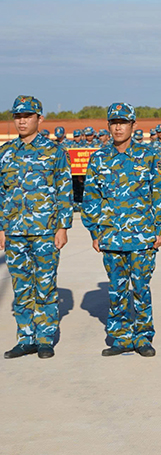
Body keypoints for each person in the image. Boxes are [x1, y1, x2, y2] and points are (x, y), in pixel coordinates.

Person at [81, 103, 161, 357]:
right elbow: (91, 197)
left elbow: (159, 194)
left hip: (142, 236)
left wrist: (160, 228)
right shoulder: (99, 158)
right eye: (114, 123)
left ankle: (143, 337)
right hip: (111, 236)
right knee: (117, 290)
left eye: (123, 122)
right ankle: (121, 337)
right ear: (108, 126)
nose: (118, 127)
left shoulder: (148, 156)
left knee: (141, 288)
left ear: (133, 125)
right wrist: (94, 232)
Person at [1, 96, 73, 359]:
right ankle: (25, 338)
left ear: (39, 119)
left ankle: (45, 339)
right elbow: (1, 192)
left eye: (27, 116)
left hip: (45, 231)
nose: (22, 121)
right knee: (21, 288)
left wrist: (63, 227)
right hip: (14, 231)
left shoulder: (54, 152)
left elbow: (65, 191)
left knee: (45, 285)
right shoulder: (5, 152)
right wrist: (1, 228)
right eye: (18, 116)